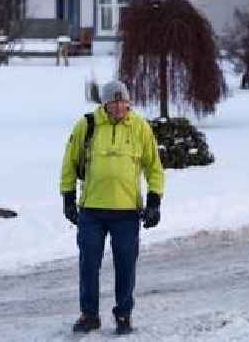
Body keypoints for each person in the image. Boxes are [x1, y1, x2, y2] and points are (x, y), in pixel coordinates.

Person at [60, 80, 165, 335]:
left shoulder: (140, 128)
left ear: (128, 102)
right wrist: (68, 198)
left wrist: (154, 201)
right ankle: (89, 315)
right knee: (88, 265)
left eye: (123, 101)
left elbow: (154, 168)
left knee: (126, 266)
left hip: (127, 213)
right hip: (92, 212)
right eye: (113, 102)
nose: (119, 106)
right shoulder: (87, 125)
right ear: (104, 104)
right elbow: (69, 163)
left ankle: (124, 315)